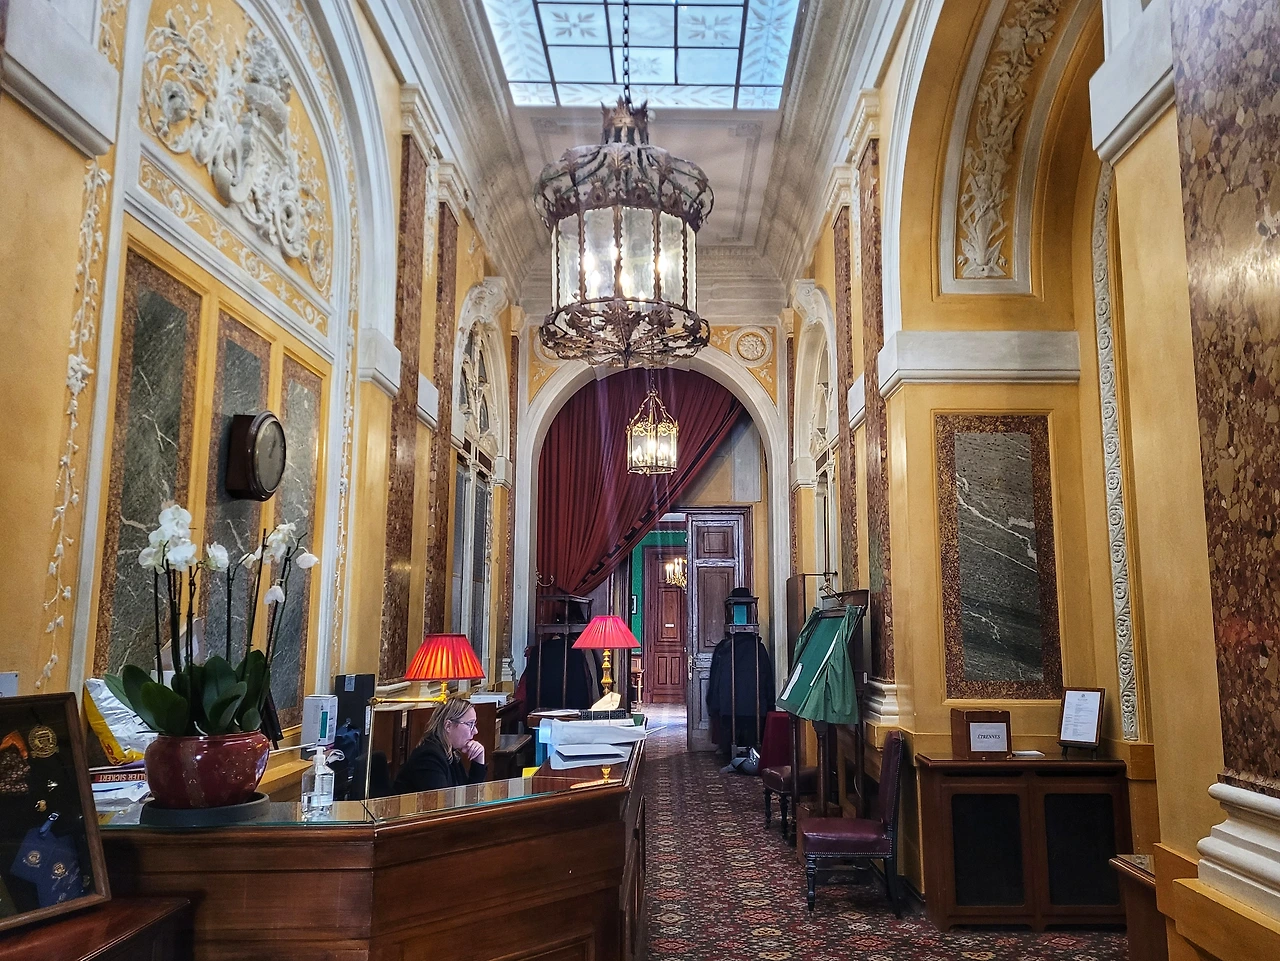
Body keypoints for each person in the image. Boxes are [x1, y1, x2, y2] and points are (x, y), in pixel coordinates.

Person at [392, 696, 487, 794]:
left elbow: (469, 795)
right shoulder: (429, 757)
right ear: (448, 726)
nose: (475, 731)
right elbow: (443, 801)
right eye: (470, 724)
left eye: (474, 724)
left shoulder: (451, 752)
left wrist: (478, 761)